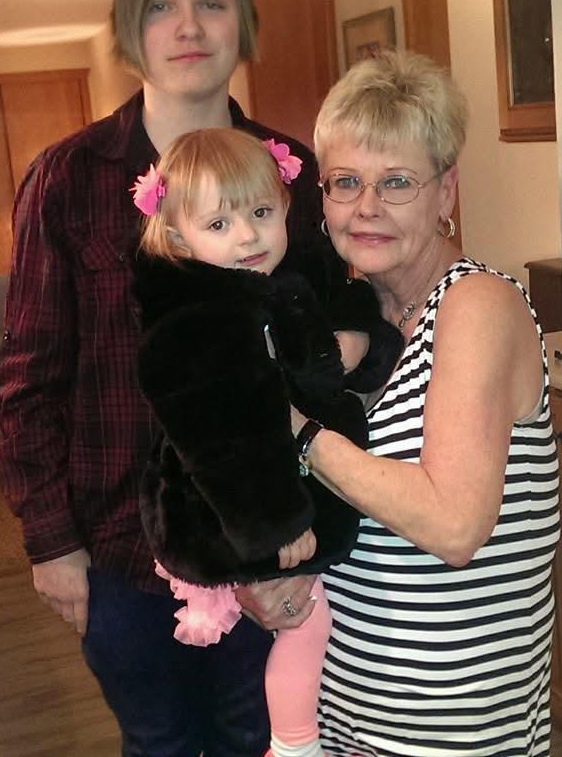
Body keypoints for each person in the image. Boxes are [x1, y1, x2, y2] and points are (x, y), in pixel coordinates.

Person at [0, 0, 333, 756]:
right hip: (118, 559)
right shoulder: (68, 178)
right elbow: (28, 378)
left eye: (211, 3)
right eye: (161, 6)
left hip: (266, 546)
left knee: (269, 744)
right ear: (129, 29)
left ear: (241, 23)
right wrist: (52, 545)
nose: (189, 28)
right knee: (160, 746)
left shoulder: (292, 171)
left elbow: (319, 349)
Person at [237, 50, 561, 756]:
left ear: (446, 192)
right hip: (345, 705)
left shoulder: (477, 306)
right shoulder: (351, 324)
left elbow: (452, 524)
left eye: (396, 183)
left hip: (451, 724)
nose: (365, 207)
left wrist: (294, 429)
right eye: (345, 182)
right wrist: (258, 577)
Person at [132, 127, 402, 757]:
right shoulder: (199, 320)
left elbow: (337, 336)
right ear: (176, 236)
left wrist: (358, 341)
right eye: (218, 225)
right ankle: (294, 743)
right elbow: (221, 442)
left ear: (285, 207)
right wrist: (274, 525)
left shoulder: (281, 282)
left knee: (315, 628)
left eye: (259, 213)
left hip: (285, 495)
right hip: (235, 513)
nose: (247, 236)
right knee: (308, 626)